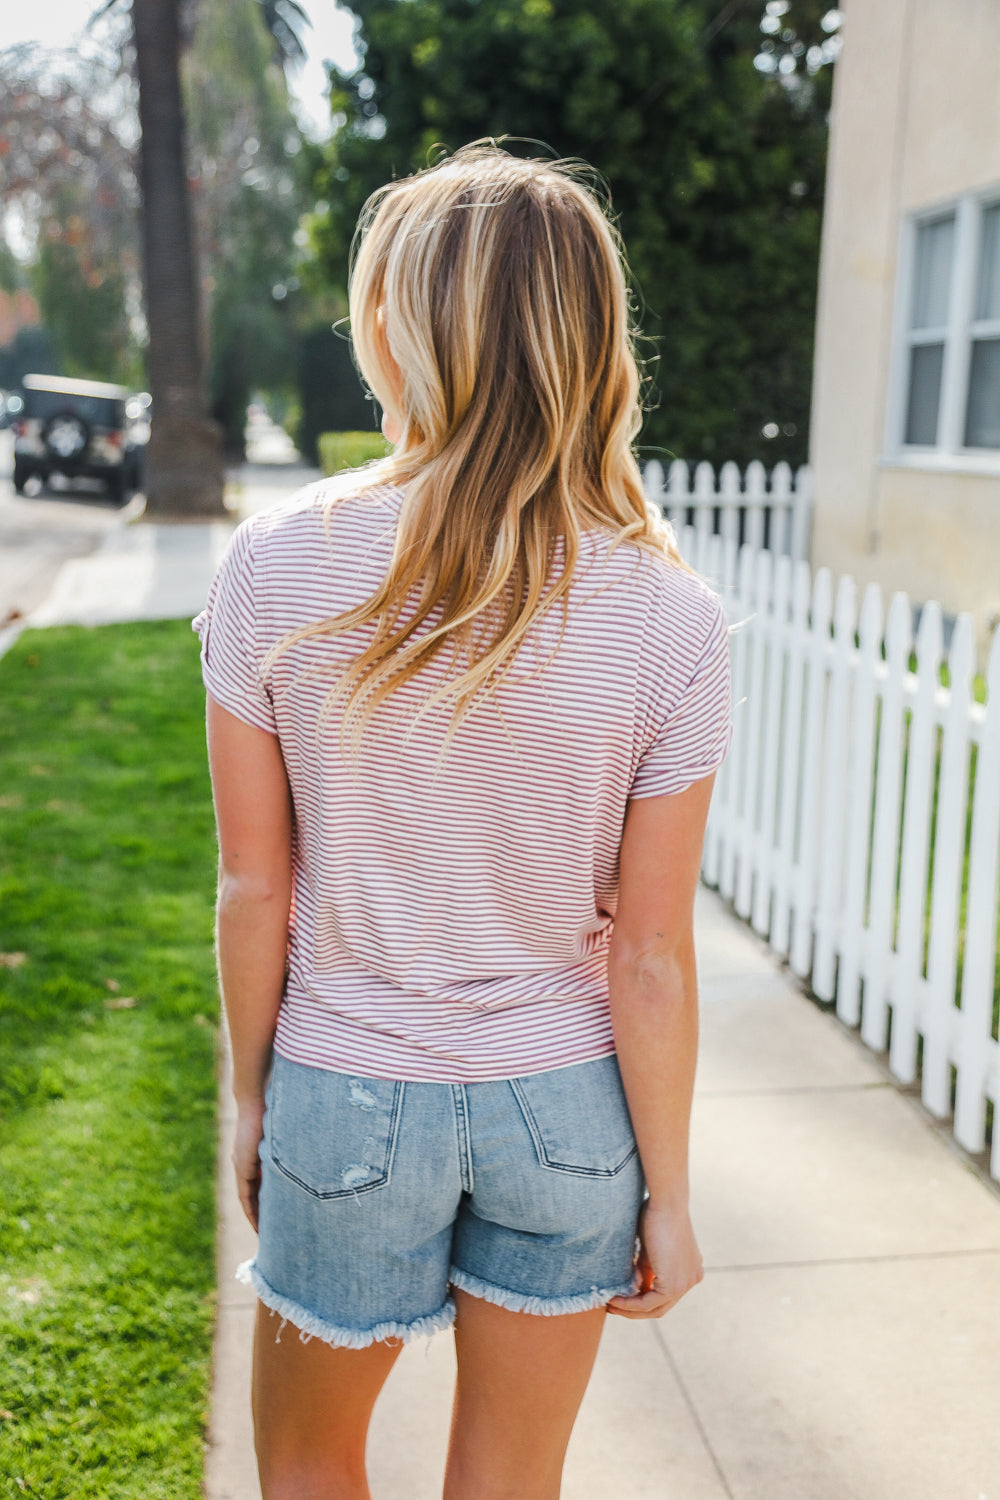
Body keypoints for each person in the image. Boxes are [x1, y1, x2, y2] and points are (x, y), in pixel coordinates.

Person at [194, 142, 733, 1500]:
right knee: (511, 1484)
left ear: (398, 326)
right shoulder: (673, 616)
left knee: (309, 1465)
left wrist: (256, 1096)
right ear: (594, 342)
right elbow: (651, 952)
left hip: (346, 1091)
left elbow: (255, 890)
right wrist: (664, 1192)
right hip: (568, 1115)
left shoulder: (273, 564)